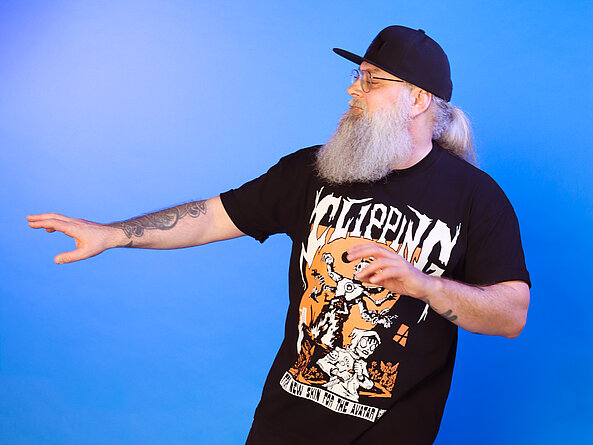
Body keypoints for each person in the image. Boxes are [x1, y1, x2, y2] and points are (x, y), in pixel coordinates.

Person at [27, 25, 530, 444]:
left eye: (371, 81)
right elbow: (213, 216)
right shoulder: (314, 171)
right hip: (283, 428)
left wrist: (423, 284)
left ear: (418, 99)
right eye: (355, 76)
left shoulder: (477, 199)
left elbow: (511, 315)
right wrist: (115, 234)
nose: (353, 90)